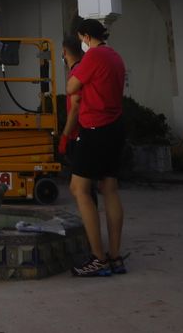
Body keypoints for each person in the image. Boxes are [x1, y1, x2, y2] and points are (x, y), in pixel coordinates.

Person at [58, 18, 127, 277]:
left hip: (95, 128)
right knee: (109, 187)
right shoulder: (115, 56)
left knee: (79, 188)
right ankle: (115, 256)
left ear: (85, 36)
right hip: (115, 127)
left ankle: (98, 257)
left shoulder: (93, 57)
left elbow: (71, 87)